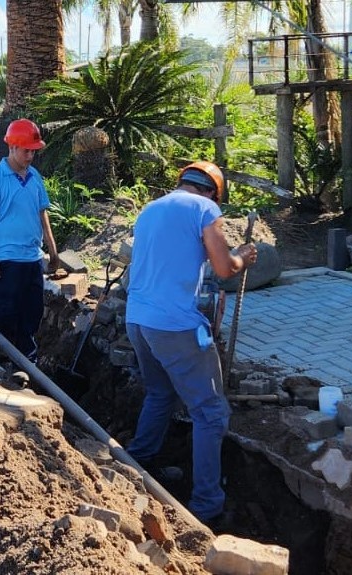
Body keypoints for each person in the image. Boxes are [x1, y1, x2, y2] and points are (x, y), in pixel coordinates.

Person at [124, 161, 257, 526]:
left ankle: (137, 463)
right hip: (173, 326)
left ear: (181, 182)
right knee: (211, 413)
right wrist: (243, 256)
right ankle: (206, 507)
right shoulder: (204, 208)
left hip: (137, 319)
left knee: (160, 394)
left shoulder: (150, 209)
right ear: (213, 190)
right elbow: (223, 267)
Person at [0, 119, 60, 363]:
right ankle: (3, 363)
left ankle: (28, 361)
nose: (30, 156)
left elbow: (42, 214)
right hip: (7, 261)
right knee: (6, 313)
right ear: (12, 147)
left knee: (32, 313)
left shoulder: (34, 177)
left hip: (32, 259)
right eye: (26, 150)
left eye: (33, 151)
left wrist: (53, 254)